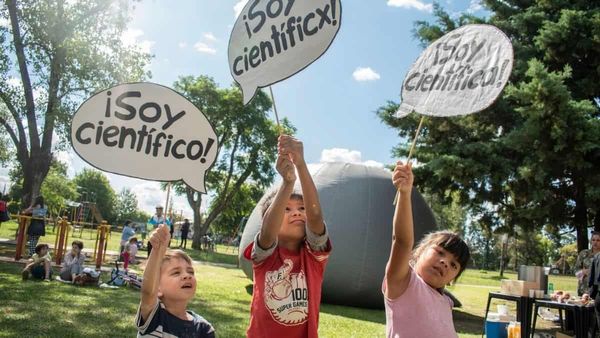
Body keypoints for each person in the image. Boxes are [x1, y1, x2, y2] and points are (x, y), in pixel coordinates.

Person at [243, 135, 331, 338]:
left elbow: (315, 214)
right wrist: (287, 183)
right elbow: (267, 232)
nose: (297, 212)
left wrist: (300, 165)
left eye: (301, 208)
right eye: (286, 208)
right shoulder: (264, 256)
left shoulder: (314, 257)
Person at [382, 161, 470, 338]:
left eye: (454, 265)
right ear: (419, 252)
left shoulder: (446, 302)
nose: (445, 262)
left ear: (453, 279)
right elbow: (401, 242)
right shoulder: (403, 282)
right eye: (439, 252)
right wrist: (405, 194)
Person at [136, 224, 215, 337]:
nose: (187, 276)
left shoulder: (204, 328)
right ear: (157, 287)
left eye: (190, 272)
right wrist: (157, 251)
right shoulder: (154, 316)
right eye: (176, 272)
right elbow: (148, 292)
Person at [575, 231, 600, 296]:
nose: (595, 242)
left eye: (598, 240)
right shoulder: (584, 254)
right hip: (584, 290)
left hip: (598, 292)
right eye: (593, 240)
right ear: (591, 241)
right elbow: (575, 270)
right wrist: (583, 272)